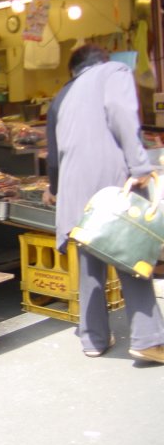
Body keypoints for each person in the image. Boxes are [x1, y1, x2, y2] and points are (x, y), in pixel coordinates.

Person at [42, 43, 164, 363]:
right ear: (102, 61)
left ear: (74, 71)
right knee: (128, 251)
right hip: (108, 181)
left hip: (74, 189)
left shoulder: (61, 96)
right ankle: (148, 337)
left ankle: (93, 339)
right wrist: (139, 166)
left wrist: (54, 189)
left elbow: (53, 155)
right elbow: (122, 114)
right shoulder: (114, 72)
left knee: (90, 262)